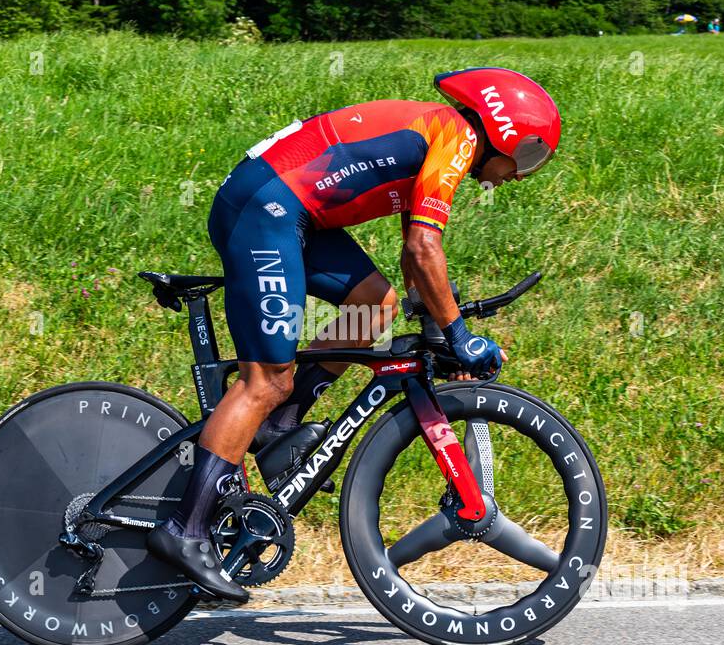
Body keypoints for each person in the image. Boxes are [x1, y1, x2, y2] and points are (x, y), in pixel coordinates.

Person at [147, 67, 562, 602]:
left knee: (375, 304)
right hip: (268, 209)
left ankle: (280, 421)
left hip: (285, 206)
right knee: (264, 380)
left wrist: (439, 328)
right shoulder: (457, 139)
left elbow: (416, 262)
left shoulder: (439, 135)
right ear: (502, 128)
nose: (520, 175)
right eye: (527, 157)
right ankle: (186, 529)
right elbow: (421, 251)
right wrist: (460, 335)